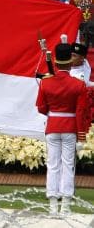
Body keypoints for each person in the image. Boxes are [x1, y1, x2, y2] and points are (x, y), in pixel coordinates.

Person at [36, 43, 90, 215]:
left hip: (52, 125)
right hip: (70, 127)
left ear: (56, 61)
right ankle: (65, 205)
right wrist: (81, 136)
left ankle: (52, 205)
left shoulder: (46, 82)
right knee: (68, 165)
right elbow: (80, 111)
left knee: (53, 165)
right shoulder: (78, 84)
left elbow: (41, 107)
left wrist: (54, 113)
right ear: (69, 62)